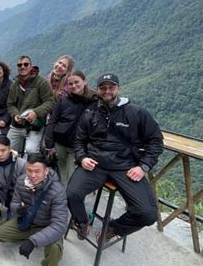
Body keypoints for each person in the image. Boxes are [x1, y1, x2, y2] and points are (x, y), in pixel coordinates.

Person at [67, 73, 163, 241]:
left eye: (111, 87)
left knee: (148, 214)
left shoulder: (136, 113)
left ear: (119, 88)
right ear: (97, 90)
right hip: (95, 164)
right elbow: (79, 141)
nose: (107, 91)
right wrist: (82, 157)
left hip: (125, 167)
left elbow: (156, 141)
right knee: (72, 194)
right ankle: (82, 222)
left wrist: (143, 167)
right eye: (103, 88)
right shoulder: (90, 113)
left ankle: (113, 228)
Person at [0, 153, 67, 266]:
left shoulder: (58, 191)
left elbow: (59, 225)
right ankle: (29, 237)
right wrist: (17, 210)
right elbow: (13, 203)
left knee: (54, 249)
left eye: (37, 171)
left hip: (48, 226)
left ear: (46, 171)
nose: (32, 175)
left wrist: (33, 241)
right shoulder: (21, 181)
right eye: (29, 170)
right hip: (27, 221)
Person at [42, 70, 98, 187]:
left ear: (85, 81)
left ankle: (67, 198)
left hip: (77, 146)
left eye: (76, 82)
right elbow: (52, 121)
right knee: (62, 172)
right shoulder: (63, 100)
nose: (74, 86)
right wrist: (49, 145)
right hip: (60, 143)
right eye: (70, 84)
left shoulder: (95, 101)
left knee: (72, 174)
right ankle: (61, 197)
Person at [7, 56, 55, 156]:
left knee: (31, 151)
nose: (22, 67)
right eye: (20, 65)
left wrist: (36, 112)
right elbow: (10, 104)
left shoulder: (41, 82)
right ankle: (15, 169)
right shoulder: (15, 85)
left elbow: (50, 102)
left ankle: (32, 169)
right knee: (8, 150)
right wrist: (15, 115)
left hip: (35, 125)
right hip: (18, 124)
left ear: (31, 66)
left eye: (26, 64)